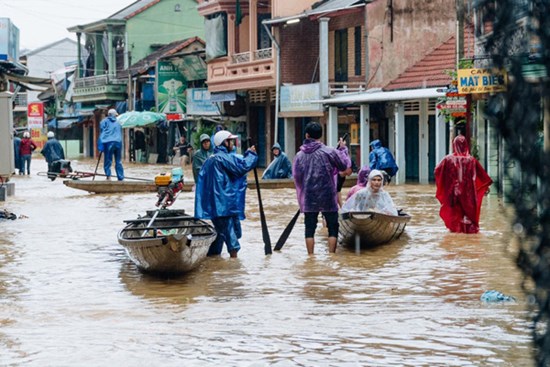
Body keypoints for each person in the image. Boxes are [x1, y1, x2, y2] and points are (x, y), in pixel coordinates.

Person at [194, 130, 258, 258]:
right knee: (231, 237)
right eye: (231, 141)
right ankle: (234, 264)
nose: (233, 144)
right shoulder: (222, 158)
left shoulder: (212, 159)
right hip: (223, 205)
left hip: (217, 205)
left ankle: (212, 259)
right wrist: (251, 154)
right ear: (224, 142)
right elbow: (242, 167)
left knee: (222, 233)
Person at [293, 121, 352, 255]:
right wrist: (343, 150)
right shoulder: (330, 152)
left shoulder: (299, 156)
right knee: (332, 227)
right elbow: (344, 166)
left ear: (307, 135)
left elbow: (297, 177)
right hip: (328, 195)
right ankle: (331, 255)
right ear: (321, 135)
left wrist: (304, 192)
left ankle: (310, 257)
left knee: (309, 228)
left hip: (309, 195)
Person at [434, 134, 493, 234]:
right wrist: (484, 187)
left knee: (455, 216)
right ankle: (468, 236)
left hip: (453, 193)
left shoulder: (447, 159)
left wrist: (445, 183)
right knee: (468, 215)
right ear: (466, 145)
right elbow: (482, 176)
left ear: (454, 145)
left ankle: (456, 236)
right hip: (468, 194)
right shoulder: (471, 160)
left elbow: (437, 171)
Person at [98, 108, 124, 181]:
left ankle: (108, 177)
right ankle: (121, 177)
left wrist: (101, 146)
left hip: (108, 142)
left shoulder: (103, 121)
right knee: (118, 161)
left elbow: (102, 132)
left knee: (108, 160)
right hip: (118, 142)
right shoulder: (119, 122)